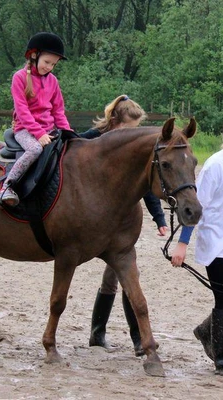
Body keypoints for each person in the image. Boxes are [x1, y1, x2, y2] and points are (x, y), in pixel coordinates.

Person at [80, 95, 168, 356]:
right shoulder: (93, 138)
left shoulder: (133, 150)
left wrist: (160, 219)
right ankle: (106, 334)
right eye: (129, 129)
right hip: (91, 219)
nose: (133, 136)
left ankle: (130, 338)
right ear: (115, 121)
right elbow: (72, 148)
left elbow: (147, 188)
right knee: (120, 279)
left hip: (119, 224)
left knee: (121, 278)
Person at [171, 109, 223, 378]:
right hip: (217, 241)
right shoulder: (216, 165)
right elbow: (196, 208)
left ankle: (206, 331)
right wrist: (182, 244)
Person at [0, 32, 71, 206]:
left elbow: (58, 111)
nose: (49, 67)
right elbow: (22, 111)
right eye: (47, 62)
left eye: (53, 64)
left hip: (49, 129)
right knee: (35, 150)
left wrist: (68, 132)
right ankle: (7, 187)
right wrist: (38, 133)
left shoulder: (53, 81)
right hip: (25, 129)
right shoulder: (19, 78)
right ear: (34, 55)